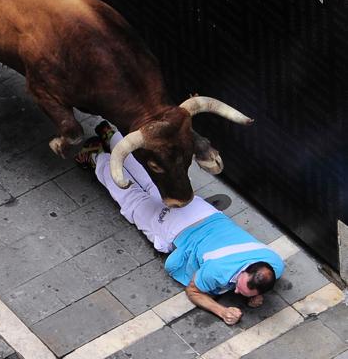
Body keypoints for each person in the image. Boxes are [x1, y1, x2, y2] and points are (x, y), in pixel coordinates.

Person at [75, 121, 285, 325]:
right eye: (239, 287)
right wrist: (222, 311)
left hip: (202, 211)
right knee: (133, 200)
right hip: (174, 228)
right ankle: (97, 157)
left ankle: (114, 138)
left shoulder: (274, 262)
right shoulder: (218, 272)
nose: (236, 292)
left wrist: (253, 295)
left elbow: (255, 282)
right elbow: (193, 290)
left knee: (153, 182)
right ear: (246, 271)